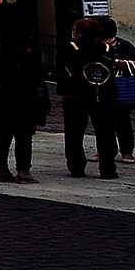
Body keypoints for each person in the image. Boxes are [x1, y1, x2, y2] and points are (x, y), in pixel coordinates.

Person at [0, 27, 45, 183]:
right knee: (23, 136)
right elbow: (37, 81)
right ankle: (23, 170)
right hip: (23, 100)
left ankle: (1, 168)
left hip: (1, 100)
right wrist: (42, 101)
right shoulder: (27, 57)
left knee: (3, 135)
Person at [57, 17, 119, 179]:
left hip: (74, 95)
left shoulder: (69, 47)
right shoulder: (106, 48)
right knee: (105, 131)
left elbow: (60, 68)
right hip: (102, 93)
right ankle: (108, 168)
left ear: (78, 32)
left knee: (74, 133)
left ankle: (76, 167)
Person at [99, 18, 135, 164]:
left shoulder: (122, 45)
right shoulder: (96, 45)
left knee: (122, 120)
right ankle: (104, 149)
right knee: (102, 121)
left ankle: (127, 151)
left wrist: (120, 63)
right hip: (101, 87)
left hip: (121, 87)